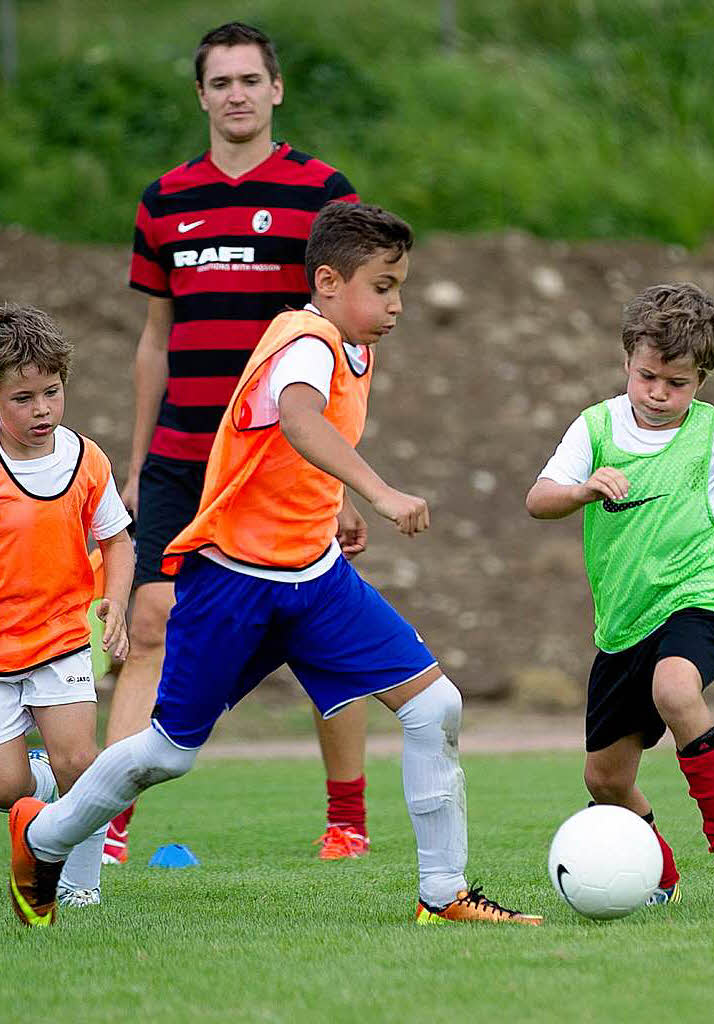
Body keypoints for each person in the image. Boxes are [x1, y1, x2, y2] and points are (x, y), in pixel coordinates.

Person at [8, 202, 543, 929]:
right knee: (167, 755)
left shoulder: (350, 345)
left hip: (315, 581)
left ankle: (441, 892)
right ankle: (40, 838)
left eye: (401, 286)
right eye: (382, 286)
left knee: (434, 706)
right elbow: (296, 414)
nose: (396, 304)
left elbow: (297, 446)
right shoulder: (305, 341)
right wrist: (377, 491)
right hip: (234, 585)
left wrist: (334, 504)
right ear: (326, 281)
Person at [106, 21, 369, 865]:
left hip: (284, 458)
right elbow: (156, 338)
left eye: (250, 79)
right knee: (150, 626)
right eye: (220, 82)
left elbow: (352, 336)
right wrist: (139, 458)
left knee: (321, 629)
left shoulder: (323, 193)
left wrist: (349, 470)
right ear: (201, 96)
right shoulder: (164, 200)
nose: (236, 94)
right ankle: (107, 827)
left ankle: (347, 823)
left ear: (276, 88)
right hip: (185, 454)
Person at [526, 282, 714, 905]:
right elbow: (539, 499)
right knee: (605, 782)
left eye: (677, 383)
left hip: (698, 602)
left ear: (702, 379)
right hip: (621, 628)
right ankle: (659, 875)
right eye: (647, 376)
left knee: (675, 688)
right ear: (627, 362)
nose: (658, 394)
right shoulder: (595, 427)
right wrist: (582, 489)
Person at [0, 303, 133, 920]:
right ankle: (42, 786)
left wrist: (118, 606)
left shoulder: (86, 459)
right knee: (7, 787)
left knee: (83, 762)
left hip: (59, 638)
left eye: (50, 392)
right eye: (22, 398)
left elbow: (117, 539)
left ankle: (81, 883)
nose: (41, 410)